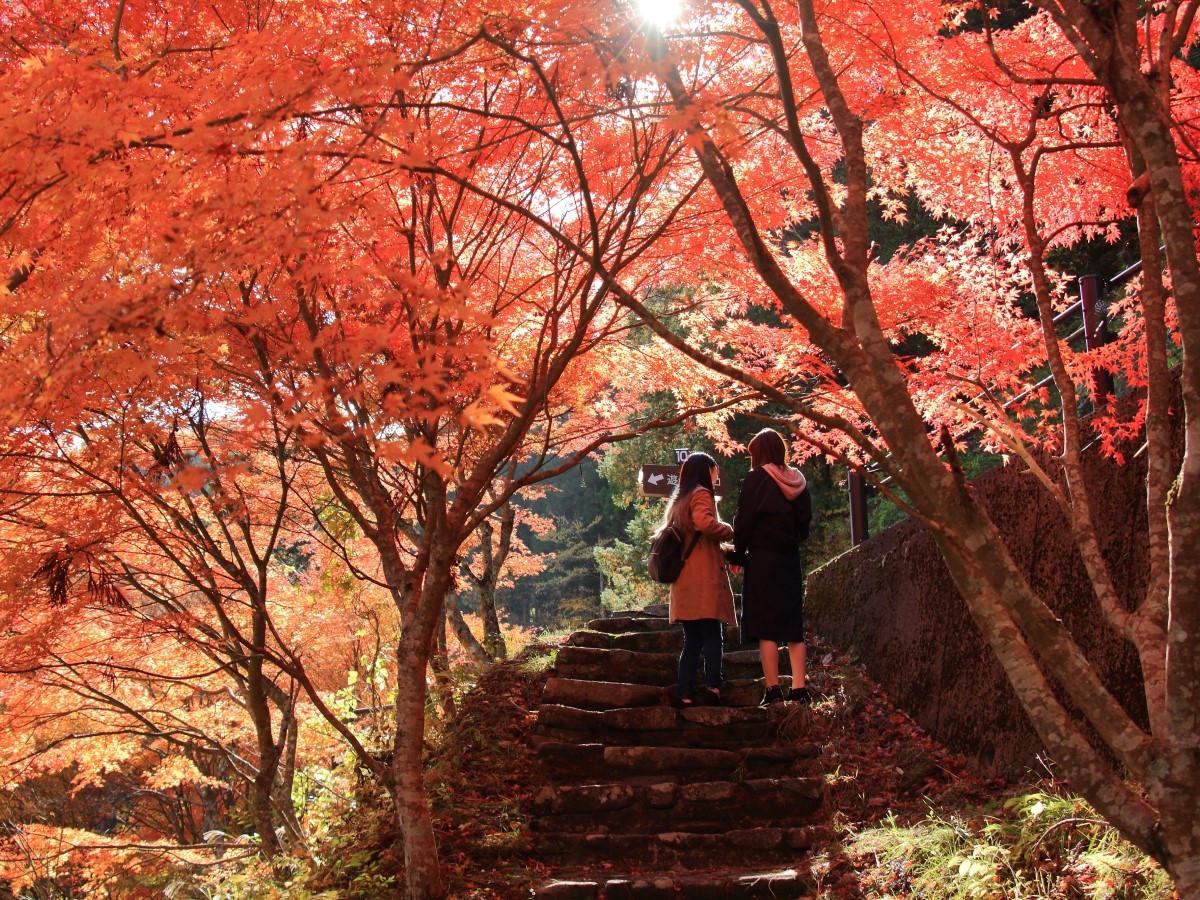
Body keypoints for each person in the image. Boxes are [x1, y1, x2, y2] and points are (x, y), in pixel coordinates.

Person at [732, 428, 813, 706]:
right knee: (793, 622)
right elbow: (805, 521)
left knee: (766, 625)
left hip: (763, 557)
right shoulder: (798, 480)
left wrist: (737, 556)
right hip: (790, 558)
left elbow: (743, 521)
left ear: (760, 454)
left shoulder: (757, 478)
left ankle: (773, 689)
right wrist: (792, 539)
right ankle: (800, 689)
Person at [656, 452, 736, 708]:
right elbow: (704, 524)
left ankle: (684, 692)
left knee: (692, 640)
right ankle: (713, 687)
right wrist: (730, 530)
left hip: (685, 580)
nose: (716, 477)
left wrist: (724, 549)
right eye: (714, 471)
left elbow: (693, 540)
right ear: (706, 471)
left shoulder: (679, 500)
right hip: (703, 580)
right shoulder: (702, 493)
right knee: (712, 634)